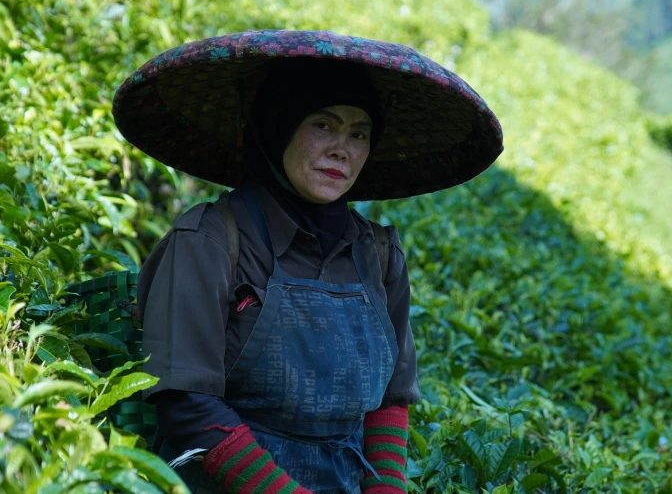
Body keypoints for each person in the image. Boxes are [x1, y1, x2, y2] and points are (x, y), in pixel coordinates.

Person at [112, 29, 503, 494]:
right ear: (279, 125)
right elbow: (187, 404)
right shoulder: (209, 240)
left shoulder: (378, 255)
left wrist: (385, 488)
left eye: (360, 133)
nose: (343, 148)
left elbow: (391, 400)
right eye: (323, 124)